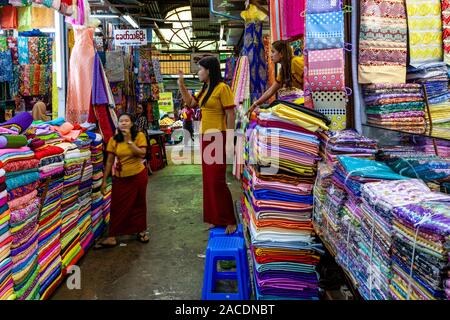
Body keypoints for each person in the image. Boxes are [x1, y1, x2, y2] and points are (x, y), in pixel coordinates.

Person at [177, 56, 237, 234]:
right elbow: (190, 103)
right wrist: (181, 84)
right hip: (205, 137)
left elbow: (231, 115)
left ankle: (229, 219)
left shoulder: (222, 88)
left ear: (209, 70)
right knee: (208, 181)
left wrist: (230, 142)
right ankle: (214, 218)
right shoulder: (205, 90)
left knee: (217, 180)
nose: (198, 72)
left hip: (218, 136)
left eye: (200, 69)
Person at [95, 113, 149, 248]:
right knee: (117, 206)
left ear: (131, 124)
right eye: (121, 121)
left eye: (126, 121)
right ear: (118, 124)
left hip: (138, 175)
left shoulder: (139, 136)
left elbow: (142, 153)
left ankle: (141, 231)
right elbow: (109, 162)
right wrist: (104, 181)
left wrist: (129, 140)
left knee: (139, 203)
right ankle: (112, 237)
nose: (124, 123)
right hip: (120, 177)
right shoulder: (114, 140)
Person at [248, 40, 304, 114]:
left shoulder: (295, 62)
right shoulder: (283, 70)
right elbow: (271, 91)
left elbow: (310, 81)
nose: (271, 55)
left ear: (281, 54)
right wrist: (255, 104)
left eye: (273, 52)